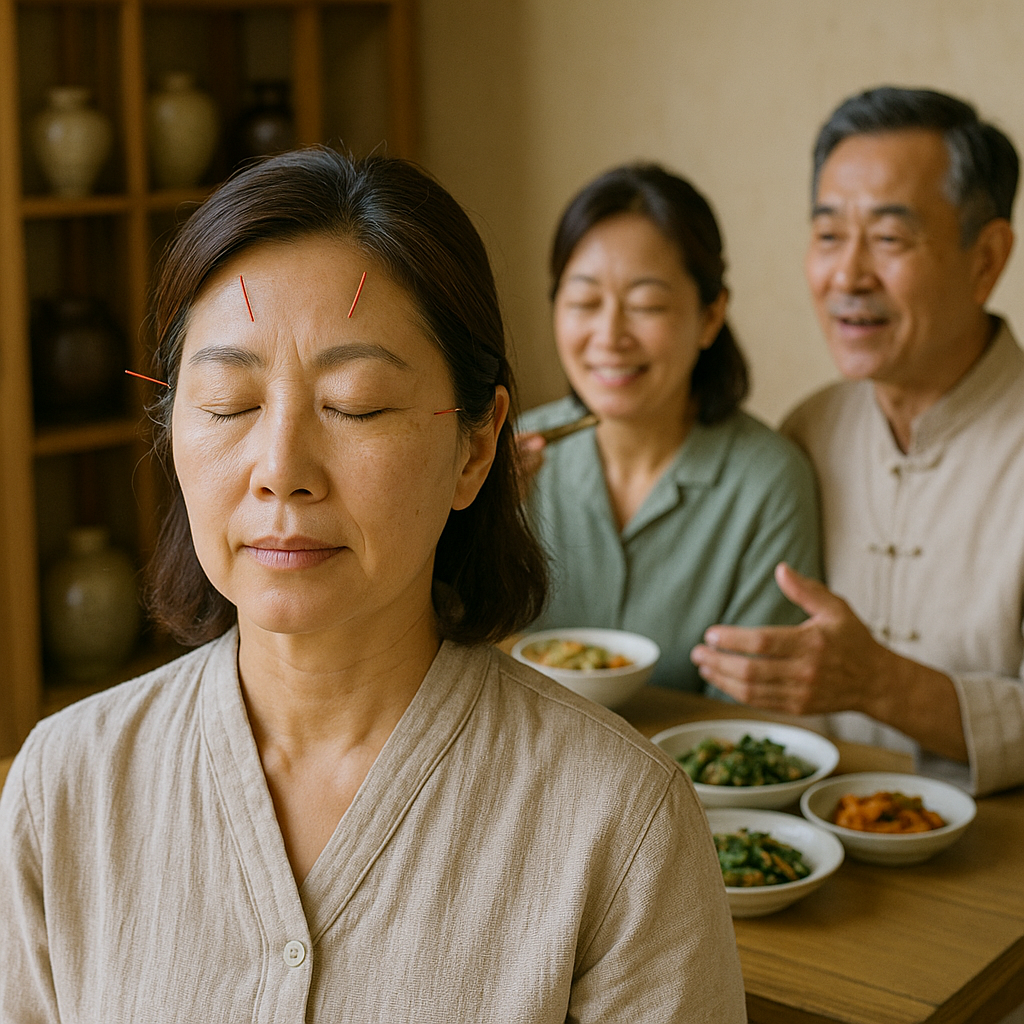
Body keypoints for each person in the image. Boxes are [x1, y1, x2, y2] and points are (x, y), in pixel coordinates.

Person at [0, 149, 746, 1022]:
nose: (281, 470)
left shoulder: (621, 827)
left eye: (355, 405)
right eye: (229, 403)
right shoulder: (65, 785)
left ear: (476, 447)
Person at [691, 86, 1024, 798]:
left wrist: (879, 684)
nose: (847, 275)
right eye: (829, 234)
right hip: (814, 849)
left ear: (986, 258)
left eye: (890, 238)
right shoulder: (809, 431)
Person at [517, 163, 821, 691]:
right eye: (584, 302)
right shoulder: (505, 459)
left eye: (646, 305)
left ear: (710, 316)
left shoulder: (767, 481)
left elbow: (743, 718)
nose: (609, 335)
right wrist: (473, 533)